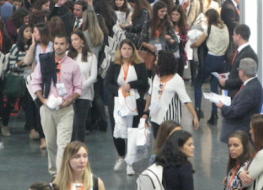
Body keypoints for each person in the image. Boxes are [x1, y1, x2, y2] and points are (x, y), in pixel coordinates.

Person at [31, 33, 83, 176]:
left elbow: (79, 87)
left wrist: (71, 100)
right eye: (56, 43)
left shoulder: (73, 65)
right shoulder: (44, 62)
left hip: (65, 110)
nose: (58, 47)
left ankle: (61, 175)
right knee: (51, 144)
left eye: (61, 44)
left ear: (67, 46)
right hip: (47, 109)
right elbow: (35, 83)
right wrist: (43, 100)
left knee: (63, 145)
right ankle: (54, 172)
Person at [105, 39, 149, 175]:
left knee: (132, 132)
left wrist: (131, 85)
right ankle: (121, 156)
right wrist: (119, 89)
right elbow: (107, 83)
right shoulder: (114, 65)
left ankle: (130, 162)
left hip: (135, 102)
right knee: (117, 131)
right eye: (124, 48)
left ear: (133, 51)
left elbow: (144, 83)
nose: (127, 51)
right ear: (120, 50)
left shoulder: (140, 65)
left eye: (129, 49)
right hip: (118, 102)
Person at [143, 50, 199, 137]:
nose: (154, 62)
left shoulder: (177, 80)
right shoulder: (156, 76)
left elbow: (186, 100)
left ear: (164, 63)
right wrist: (145, 112)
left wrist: (195, 116)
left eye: (157, 60)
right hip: (155, 118)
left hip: (169, 121)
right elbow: (150, 94)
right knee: (159, 146)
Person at [191, 9, 229, 125]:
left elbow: (198, 43)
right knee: (214, 86)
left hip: (210, 59)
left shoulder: (210, 28)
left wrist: (191, 44)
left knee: (198, 83)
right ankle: (214, 113)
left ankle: (197, 109)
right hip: (221, 60)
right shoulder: (225, 27)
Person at [7, 25, 43, 142]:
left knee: (35, 104)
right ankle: (32, 128)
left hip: (34, 78)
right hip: (21, 78)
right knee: (27, 104)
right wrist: (24, 60)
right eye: (26, 31)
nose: (29, 33)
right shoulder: (16, 47)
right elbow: (11, 66)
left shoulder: (37, 46)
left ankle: (36, 127)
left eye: (31, 31)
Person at [216, 58, 263, 143]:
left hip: (241, 133)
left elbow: (236, 112)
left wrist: (223, 107)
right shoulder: (254, 84)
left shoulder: (248, 90)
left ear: (242, 72)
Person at [68, 31, 97, 142]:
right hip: (69, 94)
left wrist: (80, 87)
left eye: (76, 39)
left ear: (82, 40)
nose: (74, 42)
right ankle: (70, 148)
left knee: (80, 123)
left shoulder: (91, 57)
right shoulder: (68, 55)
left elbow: (93, 77)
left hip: (84, 94)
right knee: (71, 123)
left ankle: (79, 147)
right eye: (72, 40)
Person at [219, 24, 259, 99]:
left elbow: (245, 77)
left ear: (239, 36)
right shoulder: (242, 51)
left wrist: (226, 82)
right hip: (235, 93)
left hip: (240, 95)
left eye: (234, 34)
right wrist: (228, 75)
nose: (232, 36)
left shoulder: (247, 54)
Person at [171, 5, 188, 78]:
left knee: (179, 75)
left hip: (180, 52)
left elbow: (186, 39)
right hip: (169, 52)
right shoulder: (169, 25)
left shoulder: (185, 26)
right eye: (173, 14)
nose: (174, 16)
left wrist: (178, 36)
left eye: (176, 15)